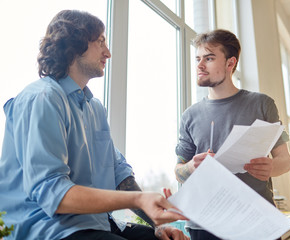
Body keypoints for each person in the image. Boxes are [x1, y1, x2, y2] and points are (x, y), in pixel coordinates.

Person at [0, 10, 189, 240]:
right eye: (100, 42)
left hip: (94, 224)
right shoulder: (42, 99)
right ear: (74, 44)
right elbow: (54, 194)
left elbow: (120, 175)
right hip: (46, 228)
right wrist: (139, 199)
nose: (107, 52)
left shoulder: (94, 108)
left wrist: (157, 225)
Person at [174, 29, 290, 240]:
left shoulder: (262, 104)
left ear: (230, 63)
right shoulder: (189, 116)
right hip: (205, 225)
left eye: (209, 59)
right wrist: (191, 166)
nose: (200, 65)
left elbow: (285, 161)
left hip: (257, 222)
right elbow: (178, 171)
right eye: (198, 59)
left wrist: (271, 167)